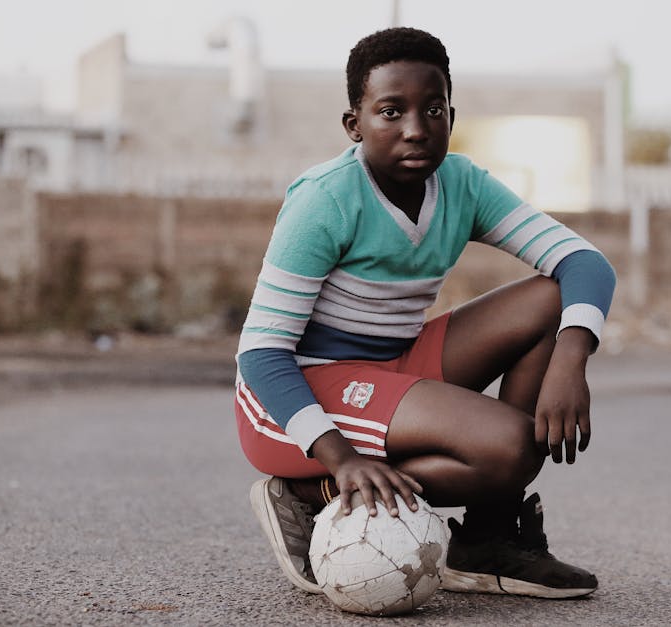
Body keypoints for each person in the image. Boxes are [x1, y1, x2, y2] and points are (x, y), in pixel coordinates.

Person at [235, 26, 616, 600]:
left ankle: (488, 540)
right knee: (512, 447)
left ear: (450, 114)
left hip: (395, 365)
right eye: (391, 111)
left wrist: (572, 355)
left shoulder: (461, 184)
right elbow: (261, 352)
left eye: (432, 109)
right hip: (299, 398)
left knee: (551, 297)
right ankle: (306, 494)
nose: (416, 129)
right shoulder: (325, 197)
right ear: (354, 123)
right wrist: (338, 457)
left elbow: (584, 262)